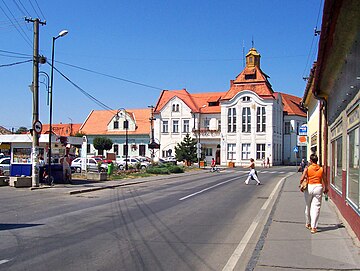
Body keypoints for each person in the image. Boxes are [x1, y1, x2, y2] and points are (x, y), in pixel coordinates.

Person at [300, 154, 328, 234]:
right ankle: (314, 227)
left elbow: (302, 178)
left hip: (309, 187)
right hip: (318, 187)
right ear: (317, 161)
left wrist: (301, 185)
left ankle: (308, 223)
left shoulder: (307, 168)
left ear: (311, 161)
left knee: (308, 205)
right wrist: (326, 188)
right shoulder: (321, 169)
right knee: (316, 207)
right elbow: (325, 179)